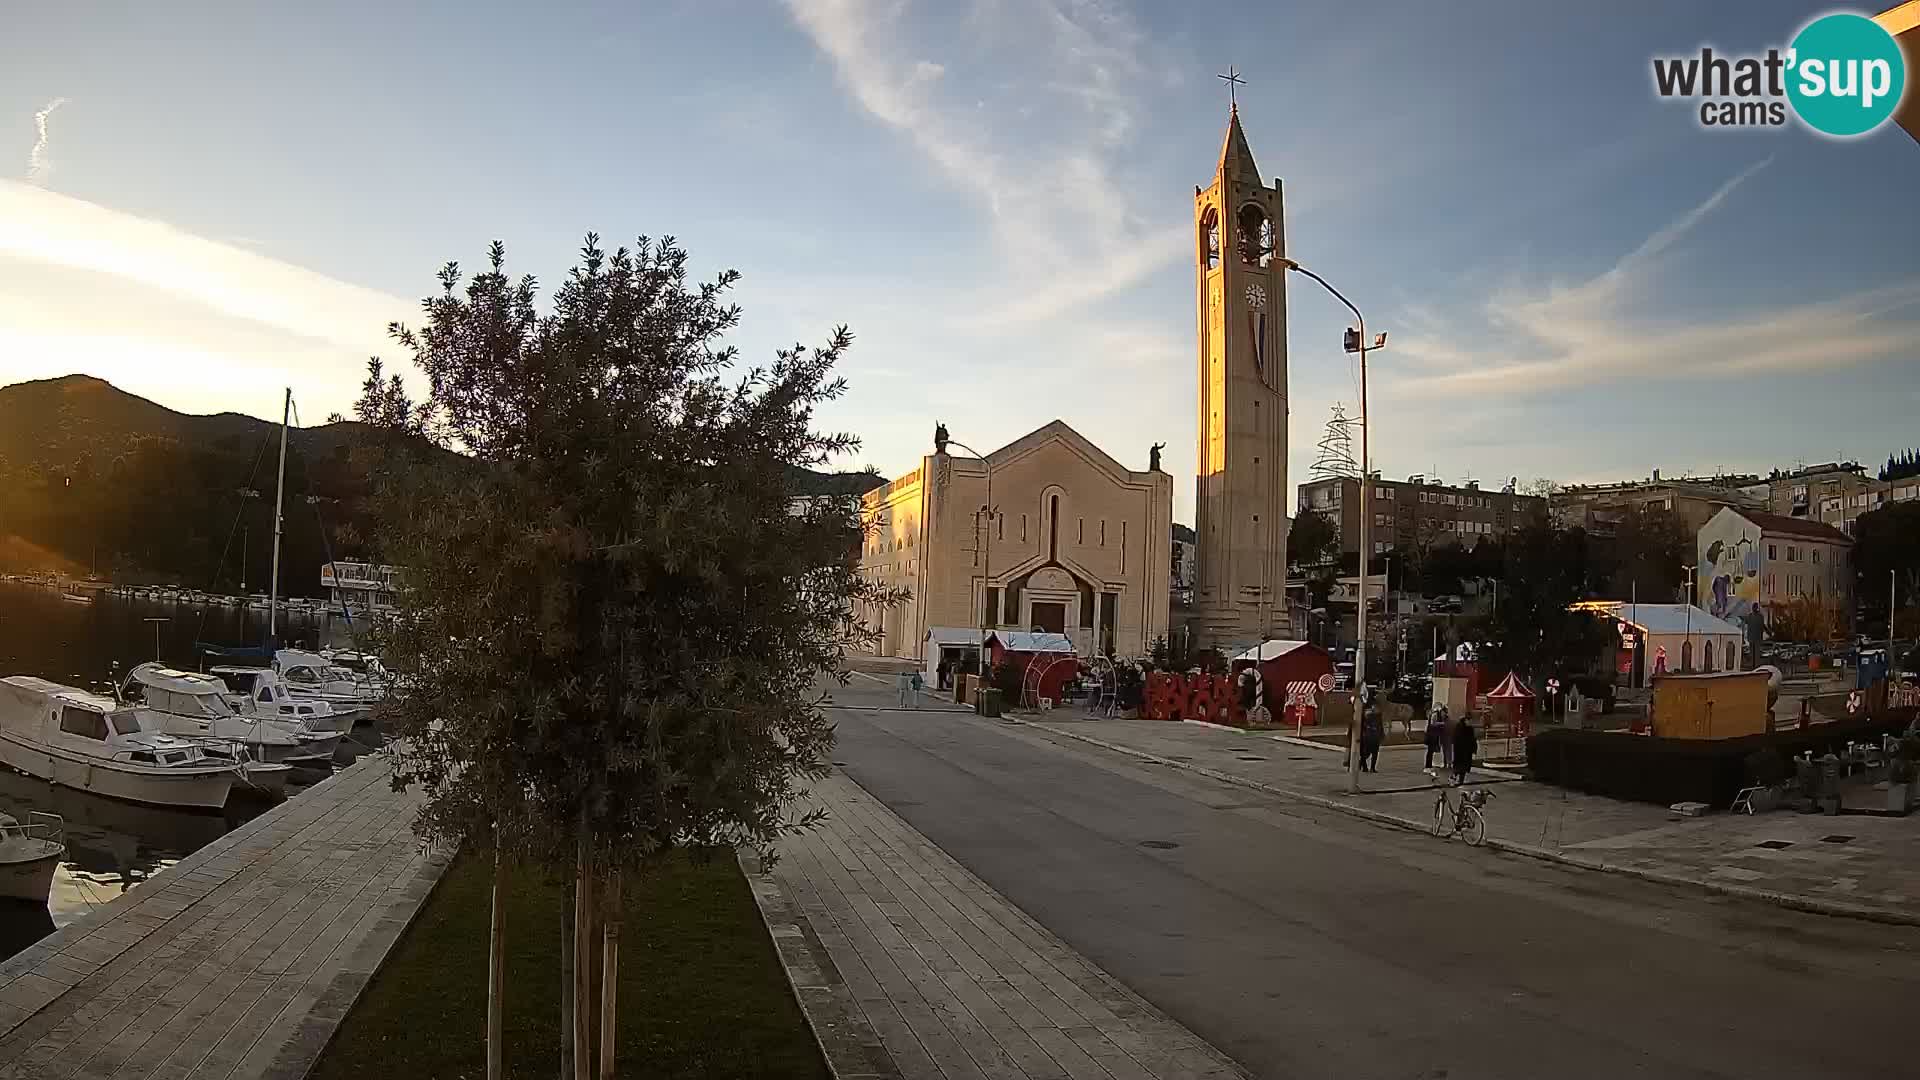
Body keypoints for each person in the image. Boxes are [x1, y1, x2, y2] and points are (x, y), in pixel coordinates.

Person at [1453, 713, 1478, 785]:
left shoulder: (1470, 728)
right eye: (1469, 721)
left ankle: (1461, 781)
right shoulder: (1459, 727)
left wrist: (1474, 750)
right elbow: (1456, 739)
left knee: (1464, 768)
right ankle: (1453, 779)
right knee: (1458, 768)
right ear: (1465, 720)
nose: (1470, 722)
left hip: (1467, 752)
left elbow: (1473, 740)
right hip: (1460, 752)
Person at [1359, 699, 1383, 773]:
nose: (1376, 708)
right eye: (1374, 707)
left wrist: (1381, 735)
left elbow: (1380, 726)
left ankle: (1372, 768)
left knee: (1374, 753)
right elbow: (1363, 726)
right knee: (1366, 753)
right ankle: (1364, 766)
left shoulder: (1378, 716)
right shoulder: (1367, 715)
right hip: (1367, 737)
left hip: (1375, 737)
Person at [1424, 705, 1448, 769]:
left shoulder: (1437, 715)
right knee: (1430, 751)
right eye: (1444, 712)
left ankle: (1429, 765)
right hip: (1432, 736)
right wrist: (1441, 723)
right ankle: (1428, 766)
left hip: (1433, 735)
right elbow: (1432, 724)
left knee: (1431, 751)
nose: (1444, 715)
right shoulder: (1435, 715)